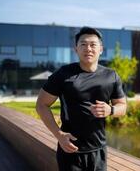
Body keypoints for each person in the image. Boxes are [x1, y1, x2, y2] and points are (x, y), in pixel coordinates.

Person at [36, 26, 127, 171]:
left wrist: (110, 110)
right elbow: (41, 105)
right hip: (70, 149)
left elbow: (122, 107)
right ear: (76, 49)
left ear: (101, 49)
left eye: (93, 45)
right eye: (83, 44)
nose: (88, 48)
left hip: (99, 150)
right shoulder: (63, 74)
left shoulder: (111, 76)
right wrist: (59, 135)